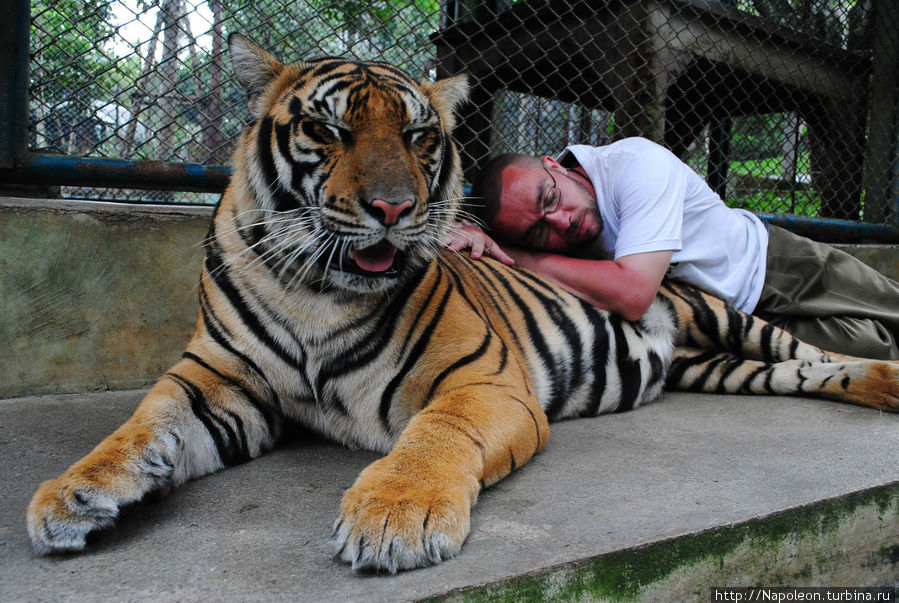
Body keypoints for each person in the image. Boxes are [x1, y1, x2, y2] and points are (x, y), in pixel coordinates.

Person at [443, 137, 899, 360]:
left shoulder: (637, 165)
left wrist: (523, 254)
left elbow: (632, 293)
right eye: (540, 232)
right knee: (877, 351)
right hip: (741, 325)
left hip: (776, 264)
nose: (563, 221)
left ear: (553, 164)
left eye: (550, 199)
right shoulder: (556, 232)